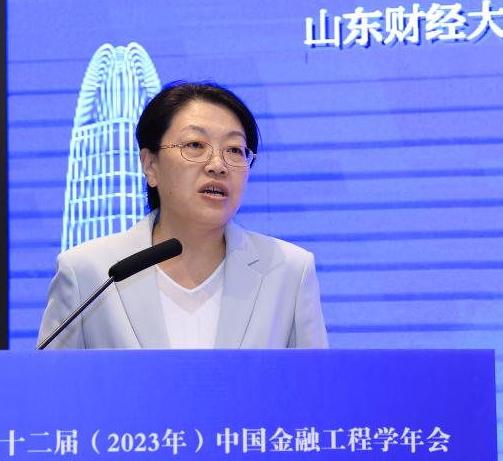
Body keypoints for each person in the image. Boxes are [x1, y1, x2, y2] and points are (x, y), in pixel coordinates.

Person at [37, 81, 328, 349]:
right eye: (195, 145)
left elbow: (315, 385)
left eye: (234, 150)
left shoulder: (288, 271)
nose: (218, 165)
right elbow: (52, 384)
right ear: (150, 165)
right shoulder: (89, 272)